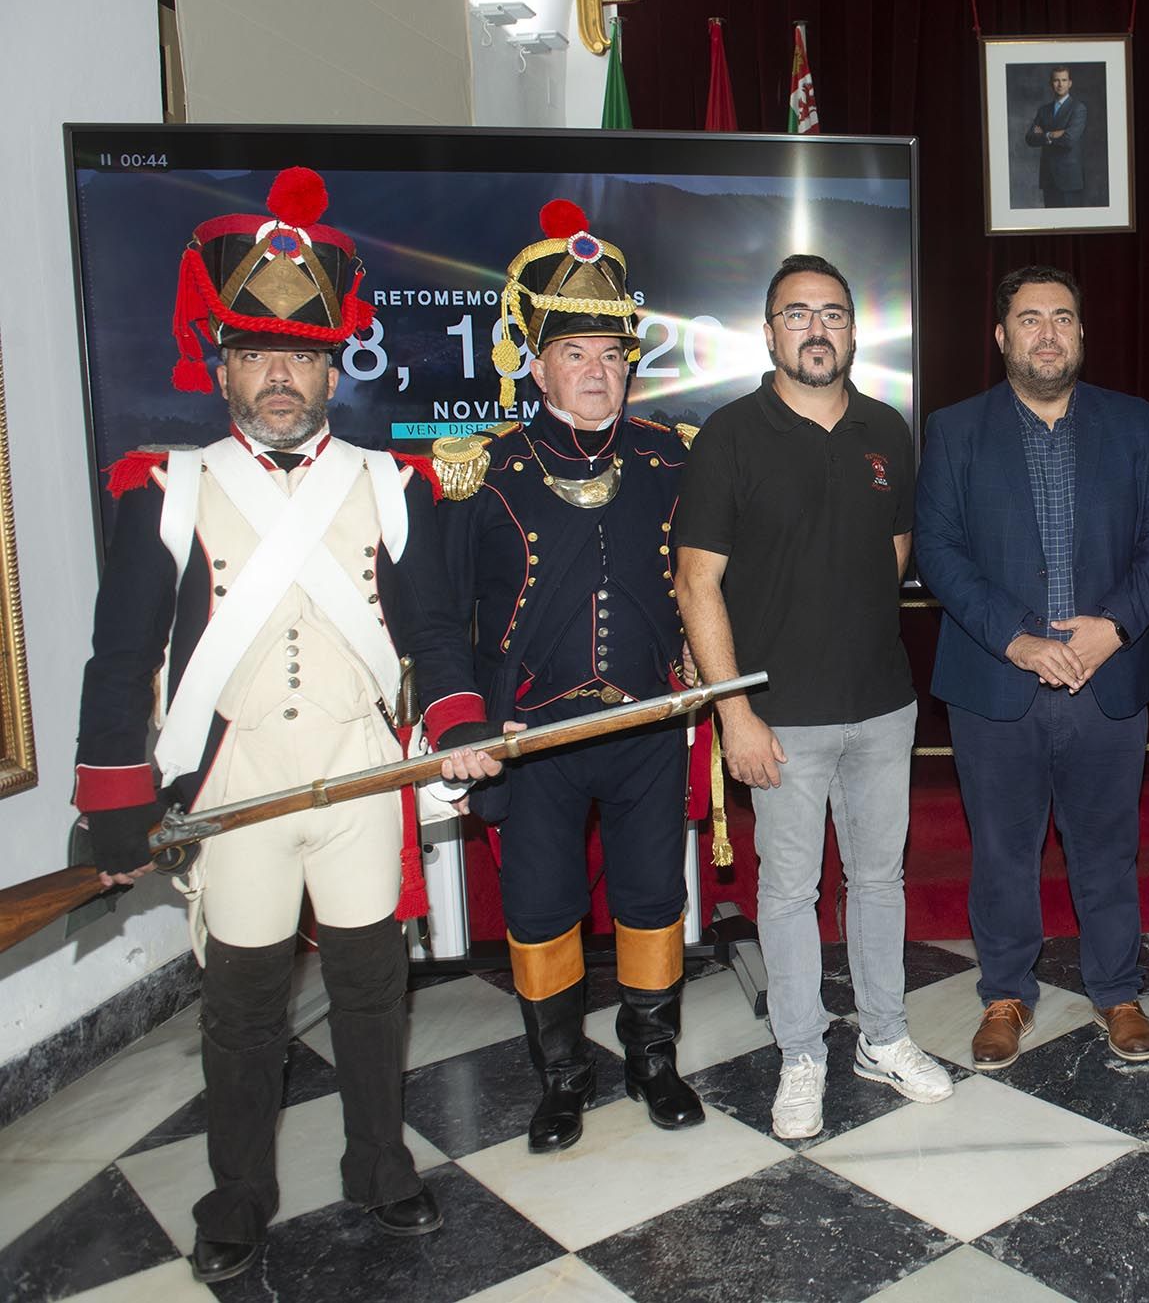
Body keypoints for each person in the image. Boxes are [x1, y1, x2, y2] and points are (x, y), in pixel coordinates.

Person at [74, 168, 502, 1283]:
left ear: (332, 367)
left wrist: (456, 721)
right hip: (235, 790)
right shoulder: (164, 487)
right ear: (223, 366)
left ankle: (378, 1166)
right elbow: (121, 657)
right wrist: (115, 796)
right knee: (244, 1013)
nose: (280, 375)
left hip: (360, 777)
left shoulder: (393, 481)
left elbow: (439, 635)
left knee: (372, 995)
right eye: (258, 354)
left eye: (302, 355)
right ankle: (238, 1196)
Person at [437, 199, 705, 1154]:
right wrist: (461, 719)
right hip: (530, 741)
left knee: (650, 899)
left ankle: (652, 1059)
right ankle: (560, 1077)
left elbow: (713, 581)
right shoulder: (483, 472)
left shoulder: (674, 462)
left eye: (612, 357)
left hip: (643, 729)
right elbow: (441, 615)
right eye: (576, 357)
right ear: (537, 363)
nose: (598, 375)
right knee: (543, 910)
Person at [675, 254, 953, 1139]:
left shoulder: (886, 430)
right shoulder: (728, 435)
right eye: (796, 314)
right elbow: (694, 582)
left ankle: (884, 1036)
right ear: (769, 333)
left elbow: (897, 552)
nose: (816, 328)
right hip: (777, 719)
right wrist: (734, 712)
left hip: (881, 705)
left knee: (878, 880)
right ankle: (801, 1052)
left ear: (851, 329)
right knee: (789, 892)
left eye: (831, 313)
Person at [914, 265, 1149, 1069]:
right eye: (1029, 320)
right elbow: (939, 552)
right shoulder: (956, 430)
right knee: (1001, 848)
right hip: (999, 682)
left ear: (1081, 334)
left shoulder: (1134, 425)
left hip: (1109, 678)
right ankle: (1005, 994)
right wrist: (1016, 641)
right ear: (1001, 337)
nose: (1047, 334)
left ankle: (1117, 990)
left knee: (1106, 846)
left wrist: (1116, 626)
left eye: (1062, 318)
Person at [1024, 66, 1088, 207]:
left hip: (1069, 179)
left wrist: (1044, 134)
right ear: (1051, 83)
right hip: (1048, 178)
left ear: (1070, 83)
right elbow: (1029, 138)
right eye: (1056, 80)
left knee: (1071, 225)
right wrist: (1052, 134)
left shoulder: (1078, 108)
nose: (1060, 84)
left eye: (1064, 80)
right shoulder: (1043, 110)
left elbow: (1069, 140)